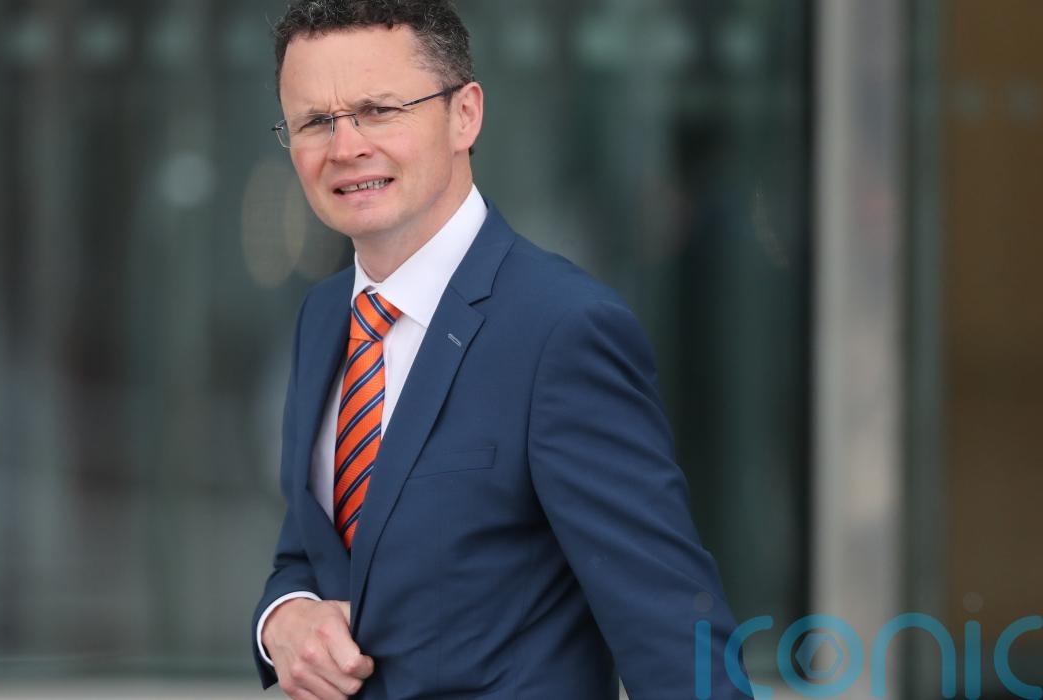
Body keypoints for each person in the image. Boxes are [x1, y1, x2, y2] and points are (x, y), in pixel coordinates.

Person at [252, 1, 748, 698]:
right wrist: (284, 617)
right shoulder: (325, 318)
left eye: (378, 110)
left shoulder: (563, 331)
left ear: (465, 115)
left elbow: (671, 628)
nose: (345, 147)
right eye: (314, 122)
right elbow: (312, 550)